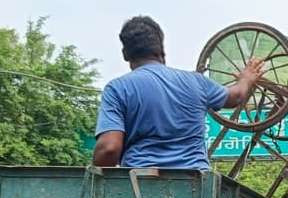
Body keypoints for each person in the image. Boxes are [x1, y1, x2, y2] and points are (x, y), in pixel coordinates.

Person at [93, 16, 264, 169]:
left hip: (139, 184)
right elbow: (236, 96)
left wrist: (95, 177)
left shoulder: (117, 89)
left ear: (125, 54)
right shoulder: (196, 81)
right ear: (161, 50)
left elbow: (109, 148)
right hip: (197, 183)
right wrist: (246, 78)